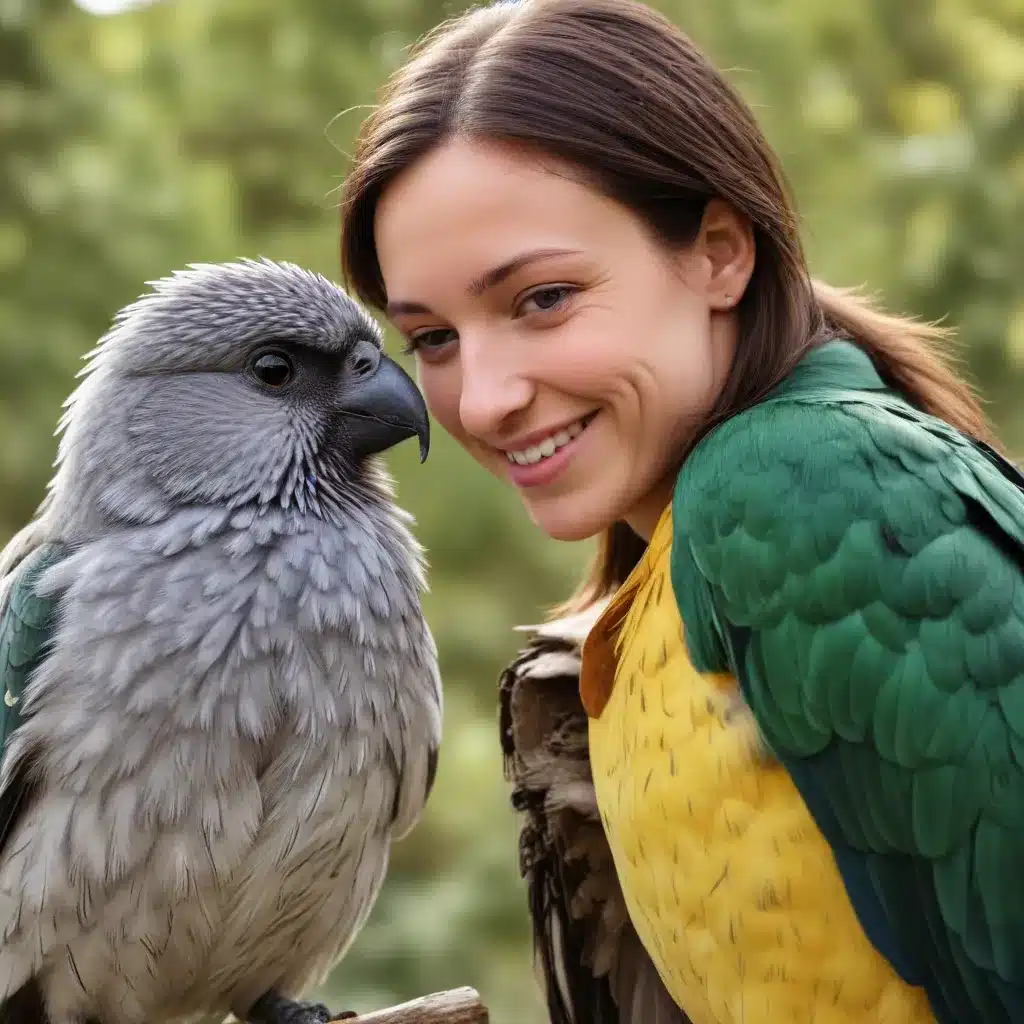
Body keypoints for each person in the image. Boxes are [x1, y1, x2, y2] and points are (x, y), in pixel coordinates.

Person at [338, 2, 1024, 1023]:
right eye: (432, 338)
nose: (480, 399)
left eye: (541, 299)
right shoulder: (629, 613)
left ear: (717, 252)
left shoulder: (803, 478)